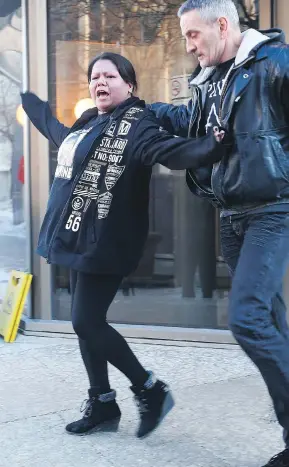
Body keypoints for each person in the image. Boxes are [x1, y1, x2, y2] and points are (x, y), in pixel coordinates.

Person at [21, 52, 226, 440]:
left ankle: (150, 389)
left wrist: (209, 147)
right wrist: (30, 103)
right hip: (79, 234)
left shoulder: (137, 124)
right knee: (87, 327)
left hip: (107, 240)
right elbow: (59, 135)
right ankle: (101, 402)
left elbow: (168, 151)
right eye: (95, 76)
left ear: (128, 84)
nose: (100, 81)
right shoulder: (89, 124)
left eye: (109, 75)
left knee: (85, 321)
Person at [149, 1, 289, 465]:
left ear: (223, 25)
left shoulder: (275, 64)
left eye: (192, 35)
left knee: (247, 318)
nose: (188, 45)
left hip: (273, 210)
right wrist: (140, 108)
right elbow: (190, 126)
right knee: (271, 323)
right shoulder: (211, 81)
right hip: (231, 215)